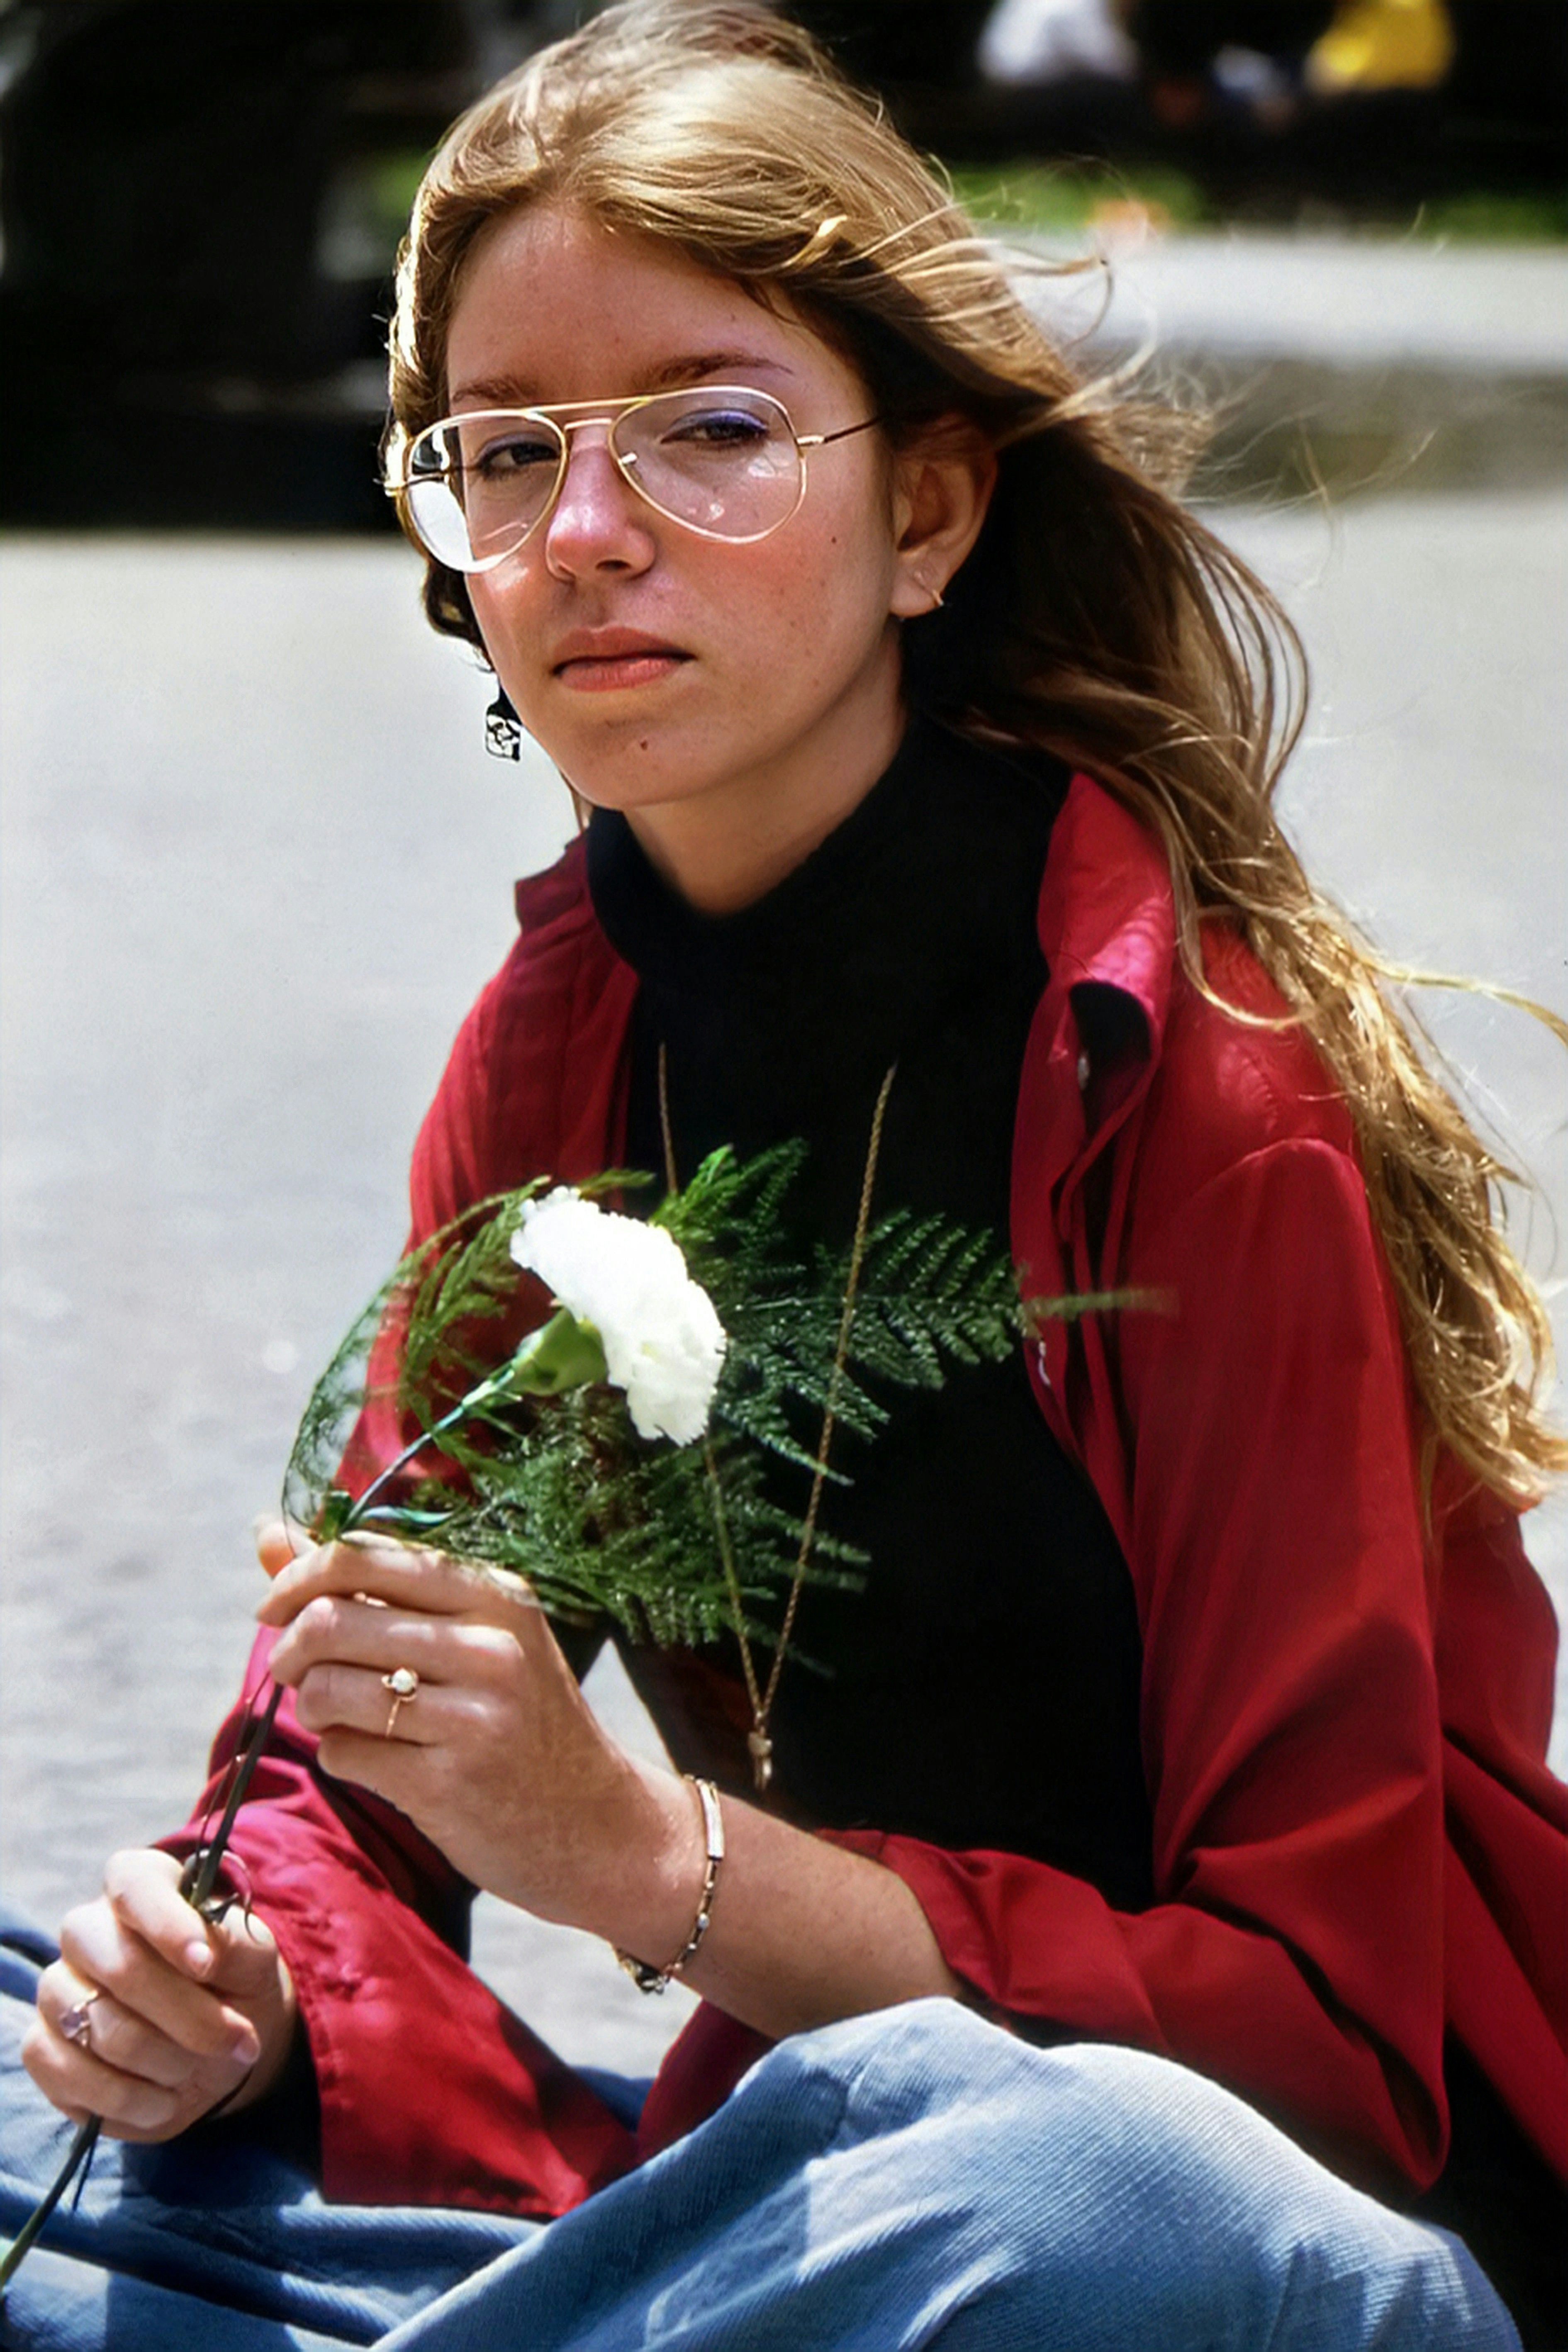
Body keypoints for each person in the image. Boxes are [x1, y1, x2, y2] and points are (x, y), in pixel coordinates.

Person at [4, 3, 1563, 2345]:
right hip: (792, 2193)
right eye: (504, 453)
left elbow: (1325, 2045)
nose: (590, 531)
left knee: (1086, 2186)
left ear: (927, 507)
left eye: (711, 433)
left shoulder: (1200, 1089)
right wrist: (225, 1984)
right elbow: (347, 1761)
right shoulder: (559, 1056)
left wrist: (644, 1856)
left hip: (1251, 2235)